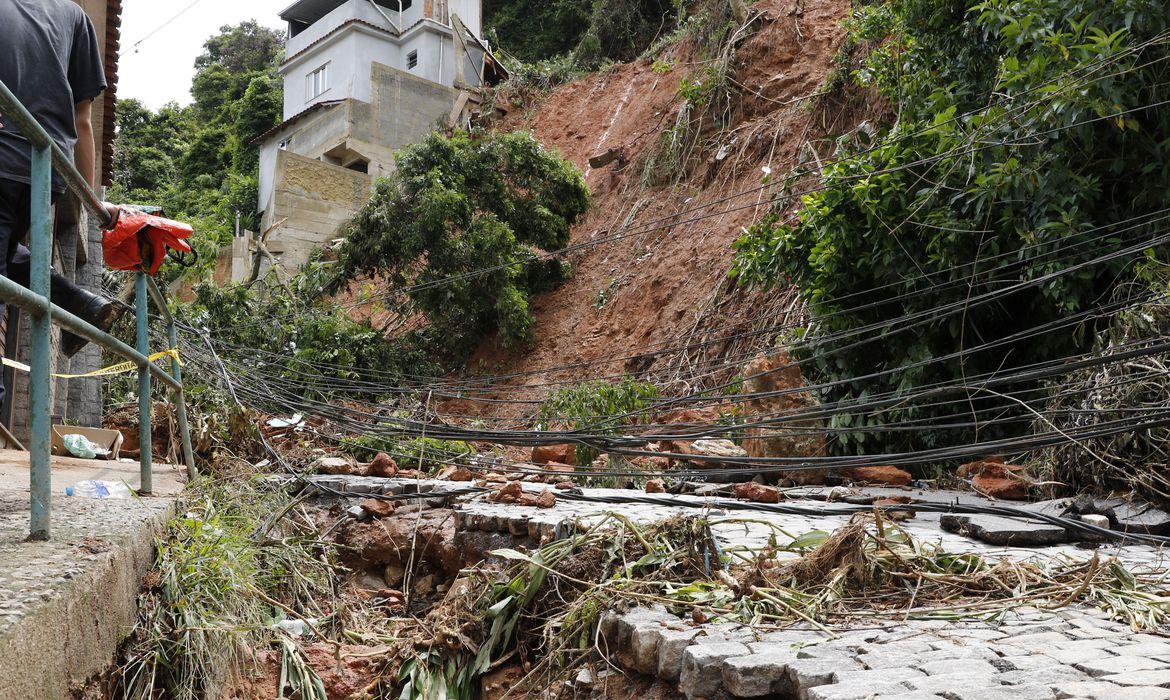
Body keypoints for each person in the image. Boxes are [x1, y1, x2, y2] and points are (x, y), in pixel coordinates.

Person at [0, 0, 122, 411]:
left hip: (2, 159)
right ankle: (79, 301)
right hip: (46, 172)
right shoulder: (75, 16)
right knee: (5, 257)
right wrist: (91, 203)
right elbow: (83, 121)